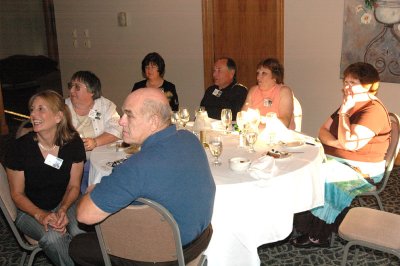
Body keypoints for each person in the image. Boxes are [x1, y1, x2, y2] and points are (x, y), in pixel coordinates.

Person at [69, 88, 216, 265]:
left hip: (165, 257)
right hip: (198, 243)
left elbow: (84, 215)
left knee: (78, 246)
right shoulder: (189, 139)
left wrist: (90, 191)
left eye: (129, 115)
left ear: (153, 122)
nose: (121, 121)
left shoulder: (138, 166)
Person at [290, 62, 391, 248]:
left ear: (369, 86)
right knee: (300, 166)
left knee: (324, 177)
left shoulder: (373, 110)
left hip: (361, 170)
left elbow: (351, 144)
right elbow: (322, 131)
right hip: (336, 159)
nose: (346, 87)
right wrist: (337, 143)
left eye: (353, 83)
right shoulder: (348, 104)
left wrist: (344, 114)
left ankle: (318, 234)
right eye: (346, 81)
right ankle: (297, 222)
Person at [5, 90, 86, 266]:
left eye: (41, 109)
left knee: (80, 231)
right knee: (54, 238)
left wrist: (63, 209)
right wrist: (41, 215)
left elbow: (74, 186)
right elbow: (17, 195)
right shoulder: (19, 149)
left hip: (65, 201)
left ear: (58, 117)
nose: (33, 114)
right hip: (29, 209)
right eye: (32, 109)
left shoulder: (73, 144)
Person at [65, 71, 121, 193]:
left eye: (77, 87)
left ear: (92, 92)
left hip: (101, 157)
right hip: (72, 161)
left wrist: (95, 142)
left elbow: (117, 128)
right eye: (71, 86)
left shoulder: (105, 106)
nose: (72, 90)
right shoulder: (62, 108)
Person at [242, 58, 295, 129]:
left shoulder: (284, 92)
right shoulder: (253, 90)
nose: (258, 77)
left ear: (275, 77)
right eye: (258, 73)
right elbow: (243, 116)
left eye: (264, 73)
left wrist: (258, 123)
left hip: (280, 137)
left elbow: (284, 123)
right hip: (255, 134)